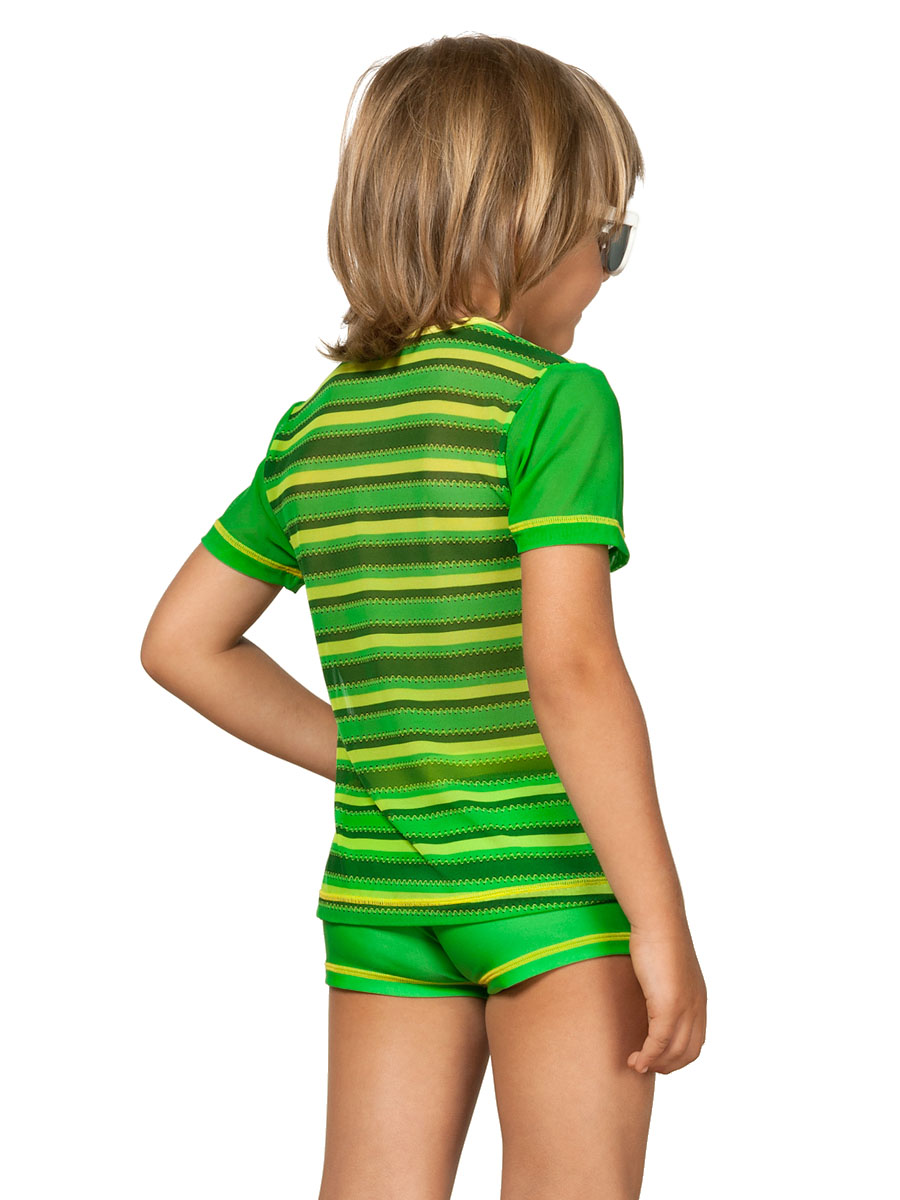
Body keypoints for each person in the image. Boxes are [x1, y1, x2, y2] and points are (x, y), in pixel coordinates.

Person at [141, 32, 706, 1200]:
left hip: (382, 896)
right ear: (521, 225)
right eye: (608, 238)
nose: (609, 273)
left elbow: (182, 644)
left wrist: (376, 753)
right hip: (548, 888)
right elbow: (572, 670)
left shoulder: (319, 427)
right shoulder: (553, 405)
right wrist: (660, 920)